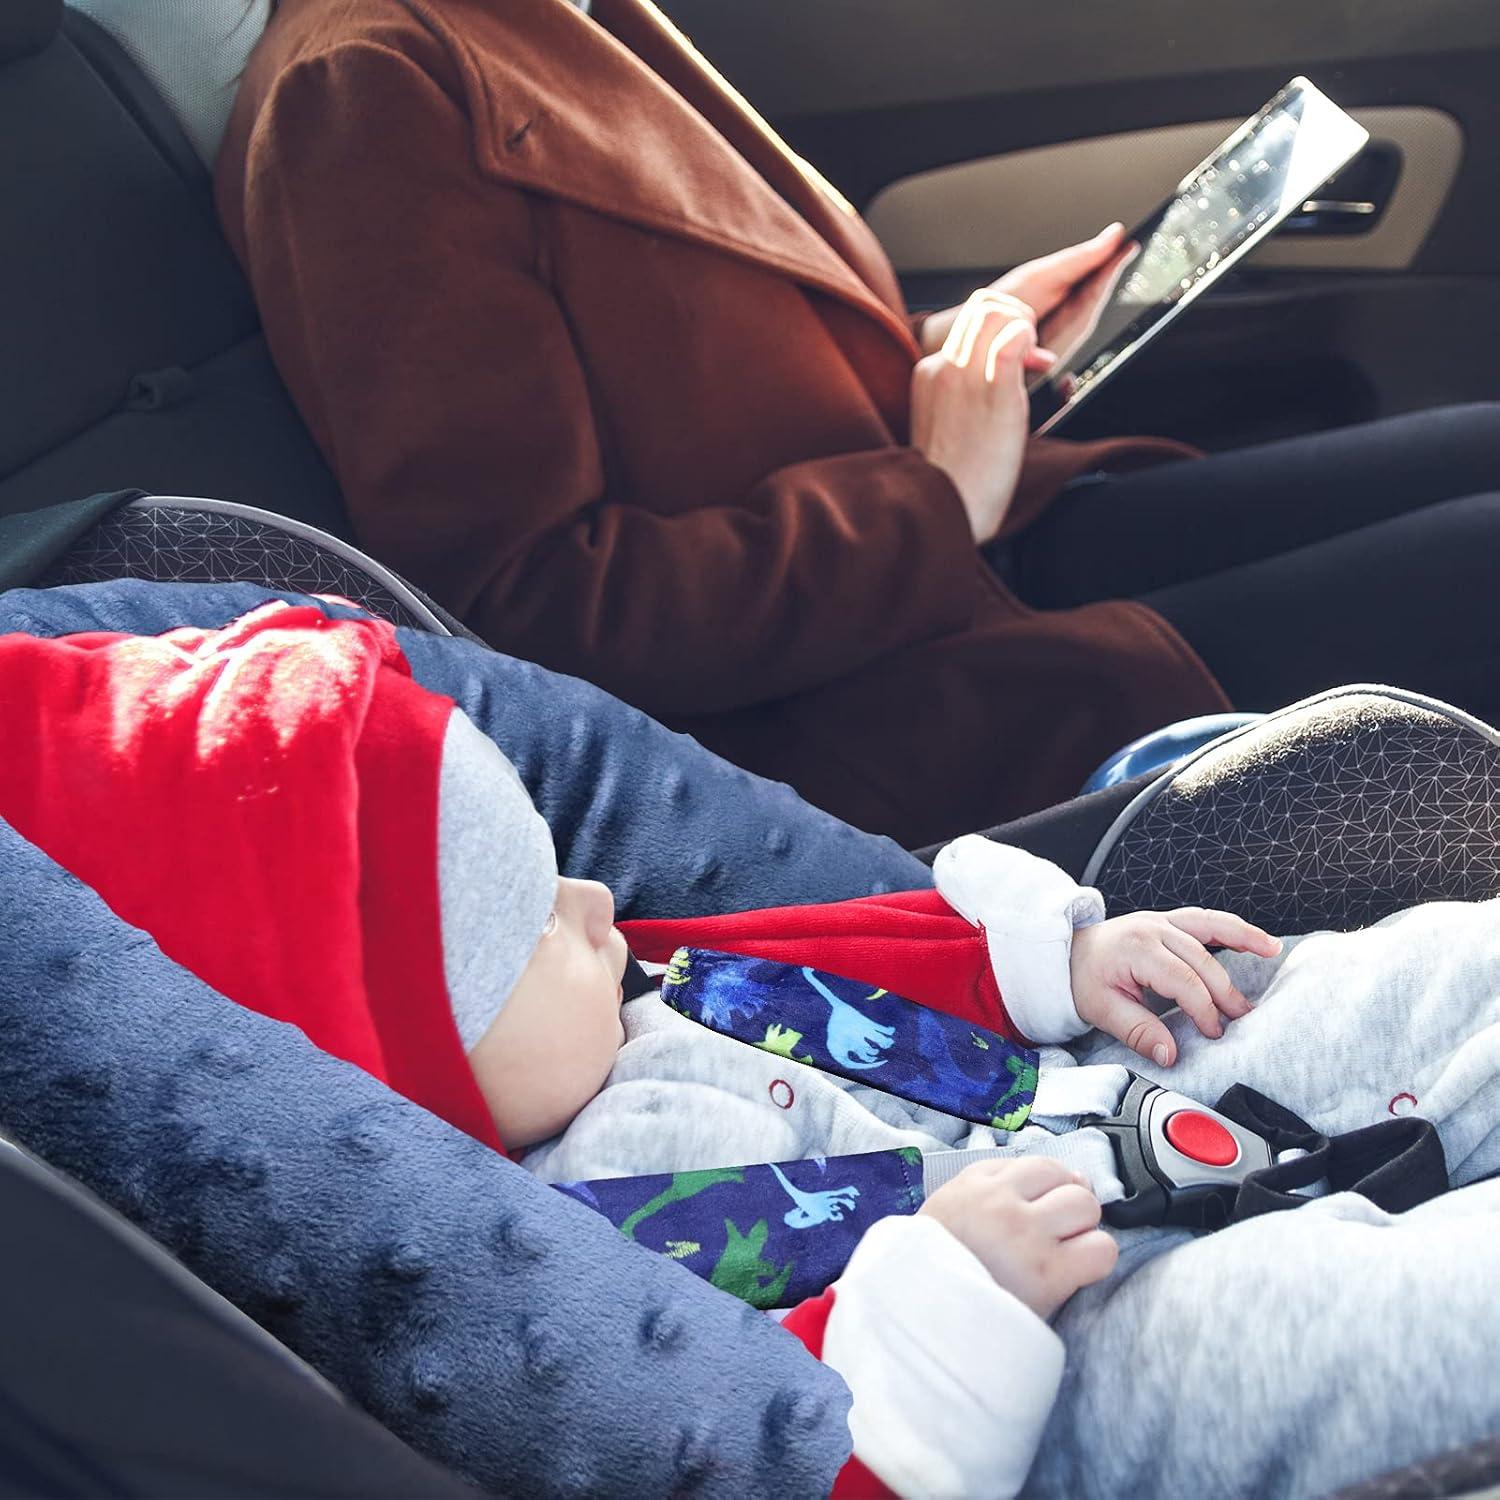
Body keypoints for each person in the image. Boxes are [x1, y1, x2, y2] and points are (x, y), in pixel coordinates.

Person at [4, 600, 1496, 1499]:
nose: (598, 903)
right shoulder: (576, 1250)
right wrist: (949, 1304)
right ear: (407, 1062)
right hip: (1048, 1343)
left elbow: (870, 956)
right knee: (1359, 1320)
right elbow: (742, 1411)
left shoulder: (650, 989)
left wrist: (1055, 961)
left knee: (1425, 977)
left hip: (1113, 1094)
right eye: (536, 927)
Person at [216, 0, 1500, 848]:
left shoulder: (557, 19)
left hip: (944, 558)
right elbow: (529, 611)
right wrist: (933, 498)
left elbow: (694, 371)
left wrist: (958, 351)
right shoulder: (364, 93)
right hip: (849, 706)